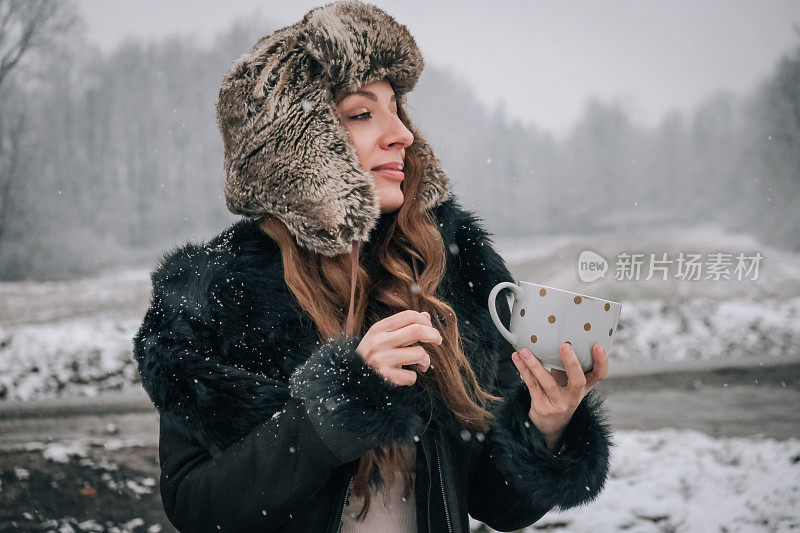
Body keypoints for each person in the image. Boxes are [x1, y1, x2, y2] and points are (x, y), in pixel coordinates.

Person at [132, 1, 614, 532]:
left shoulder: (450, 273)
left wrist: (545, 426)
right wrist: (336, 406)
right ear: (296, 149)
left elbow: (493, 505)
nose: (401, 133)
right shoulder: (211, 298)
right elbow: (199, 508)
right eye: (362, 113)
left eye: (396, 109)